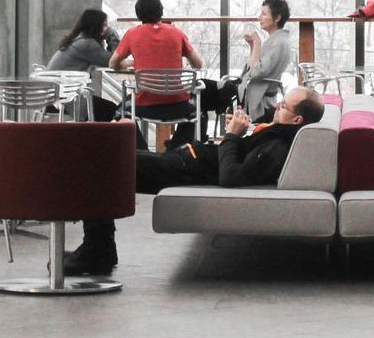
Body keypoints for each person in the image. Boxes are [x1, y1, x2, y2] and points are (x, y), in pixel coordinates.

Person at [62, 85, 327, 276]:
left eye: (283, 106)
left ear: (297, 119)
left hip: (182, 169)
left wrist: (233, 136)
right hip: (184, 160)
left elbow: (231, 177)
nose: (277, 106)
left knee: (99, 162)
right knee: (107, 153)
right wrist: (236, 135)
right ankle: (98, 248)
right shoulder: (278, 134)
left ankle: (97, 250)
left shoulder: (278, 145)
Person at [109, 0, 204, 138]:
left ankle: (142, 153)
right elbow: (198, 64)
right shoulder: (176, 33)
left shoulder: (132, 34)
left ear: (138, 13)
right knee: (199, 114)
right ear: (161, 11)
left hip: (144, 105)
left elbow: (113, 63)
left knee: (120, 113)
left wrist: (131, 63)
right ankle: (177, 150)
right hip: (178, 105)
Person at [203, 0, 294, 125]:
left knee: (201, 90)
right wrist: (253, 46)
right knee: (202, 91)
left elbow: (256, 72)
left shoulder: (279, 43)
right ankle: (197, 139)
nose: (259, 18)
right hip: (246, 92)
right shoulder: (277, 40)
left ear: (277, 18)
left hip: (251, 98)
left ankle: (194, 140)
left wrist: (257, 42)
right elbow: (256, 67)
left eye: (264, 14)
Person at [47, 8, 117, 73]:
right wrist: (112, 34)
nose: (107, 29)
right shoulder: (87, 44)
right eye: (104, 26)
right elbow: (114, 61)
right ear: (96, 27)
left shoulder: (79, 39)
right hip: (63, 83)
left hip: (58, 82)